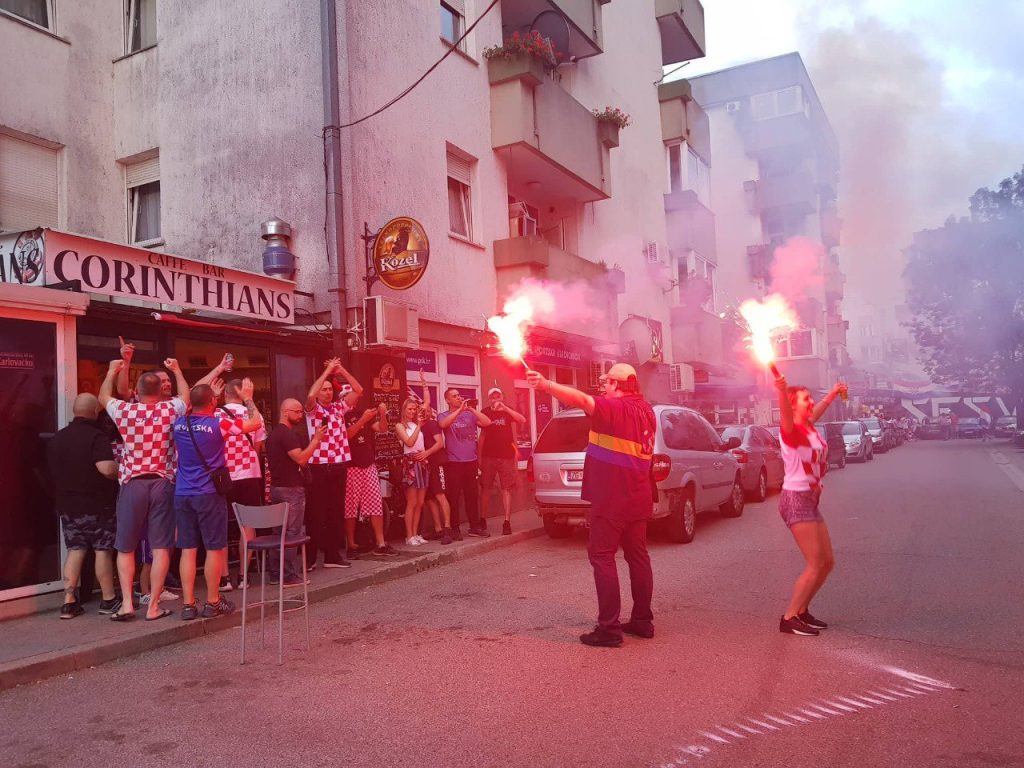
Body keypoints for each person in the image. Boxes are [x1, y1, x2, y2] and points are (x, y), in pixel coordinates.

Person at [526, 363, 657, 648]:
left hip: (611, 498)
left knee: (602, 556)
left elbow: (582, 400)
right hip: (638, 496)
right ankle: (642, 621)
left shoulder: (614, 408)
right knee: (638, 557)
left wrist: (546, 385)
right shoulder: (647, 411)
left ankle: (609, 629)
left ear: (617, 385)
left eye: (607, 382)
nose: (603, 387)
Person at [99, 358, 190, 621]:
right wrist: (177, 370)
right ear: (159, 390)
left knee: (126, 547)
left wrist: (111, 371)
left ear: (137, 391)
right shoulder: (170, 409)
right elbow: (185, 396)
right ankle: (153, 606)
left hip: (133, 483)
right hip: (163, 483)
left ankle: (128, 604)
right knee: (161, 547)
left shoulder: (125, 411)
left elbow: (103, 396)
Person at [172, 380, 263, 621]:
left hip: (183, 492)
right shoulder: (218, 423)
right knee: (214, 547)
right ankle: (213, 601)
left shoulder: (179, 423)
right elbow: (255, 423)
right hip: (209, 493)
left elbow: (190, 402)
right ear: (213, 402)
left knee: (188, 549)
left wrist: (204, 394)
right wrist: (248, 398)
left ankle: (188, 604)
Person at [774, 372, 846, 636]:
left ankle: (802, 611)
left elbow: (817, 411)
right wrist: (781, 390)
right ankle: (789, 618)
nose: (811, 402)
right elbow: (785, 413)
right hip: (796, 499)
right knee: (815, 563)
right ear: (793, 405)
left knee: (827, 562)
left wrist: (832, 394)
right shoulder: (790, 431)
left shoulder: (809, 426)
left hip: (811, 500)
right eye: (806, 399)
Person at [47, 394, 121, 619]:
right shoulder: (97, 437)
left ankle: (69, 602)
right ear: (95, 411)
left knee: (75, 549)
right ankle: (108, 599)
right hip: (97, 505)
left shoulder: (57, 438)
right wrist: (121, 470)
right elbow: (106, 468)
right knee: (102, 550)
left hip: (68, 505)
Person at [304, 358, 363, 569]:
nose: (328, 392)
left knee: (336, 512)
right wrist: (327, 371)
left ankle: (332, 556)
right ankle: (310, 559)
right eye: (325, 389)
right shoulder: (313, 410)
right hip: (319, 465)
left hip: (339, 465)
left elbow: (359, 390)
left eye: (330, 389)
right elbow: (310, 396)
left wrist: (341, 370)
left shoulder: (339, 407)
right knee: (316, 513)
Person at [266, 399, 325, 586]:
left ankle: (276, 573)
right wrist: (316, 441)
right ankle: (288, 575)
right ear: (285, 412)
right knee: (292, 532)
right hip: (290, 489)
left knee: (278, 532)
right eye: (297, 412)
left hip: (277, 487)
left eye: (301, 412)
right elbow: (301, 459)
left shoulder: (273, 435)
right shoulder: (287, 434)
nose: (300, 415)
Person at [220, 377, 268, 589]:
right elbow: (257, 448)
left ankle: (223, 578)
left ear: (225, 394)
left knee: (220, 525)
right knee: (247, 525)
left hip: (222, 475)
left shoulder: (216, 414)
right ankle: (243, 576)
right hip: (248, 473)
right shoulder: (254, 415)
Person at [343, 400, 398, 557]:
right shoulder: (340, 414)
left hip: (368, 464)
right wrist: (362, 420)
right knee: (350, 507)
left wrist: (382, 414)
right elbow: (345, 436)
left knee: (375, 503)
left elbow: (382, 429)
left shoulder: (362, 411)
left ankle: (381, 543)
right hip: (351, 465)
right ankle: (351, 545)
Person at [438, 389, 492, 539]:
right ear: (447, 400)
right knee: (454, 497)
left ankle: (474, 527)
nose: (458, 398)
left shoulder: (469, 414)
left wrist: (471, 409)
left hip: (471, 462)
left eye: (459, 395)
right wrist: (459, 410)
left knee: (472, 496)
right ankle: (455, 529)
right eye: (454, 396)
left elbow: (487, 422)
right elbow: (443, 425)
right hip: (454, 463)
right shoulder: (443, 415)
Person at [479, 387, 526, 536]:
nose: (496, 399)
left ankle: (506, 522)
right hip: (488, 456)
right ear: (489, 399)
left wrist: (505, 408)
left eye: (498, 396)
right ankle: (482, 519)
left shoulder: (508, 411)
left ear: (502, 397)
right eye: (493, 397)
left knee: (506, 489)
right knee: (486, 488)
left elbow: (522, 420)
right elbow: (482, 435)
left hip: (506, 456)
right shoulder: (485, 412)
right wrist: (479, 457)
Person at [418, 375, 453, 545]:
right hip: (426, 466)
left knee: (440, 495)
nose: (423, 412)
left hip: (437, 463)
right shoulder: (417, 426)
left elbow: (440, 443)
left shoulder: (432, 424)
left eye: (426, 410)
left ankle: (447, 529)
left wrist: (426, 453)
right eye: (421, 410)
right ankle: (438, 529)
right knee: (430, 498)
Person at [396, 398, 430, 546]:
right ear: (404, 410)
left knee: (420, 502)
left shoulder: (416, 424)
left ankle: (416, 533)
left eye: (414, 409)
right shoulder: (399, 425)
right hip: (409, 463)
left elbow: (426, 403)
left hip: (422, 463)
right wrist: (419, 426)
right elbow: (409, 442)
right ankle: (409, 536)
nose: (412, 411)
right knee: (412, 502)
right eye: (409, 409)